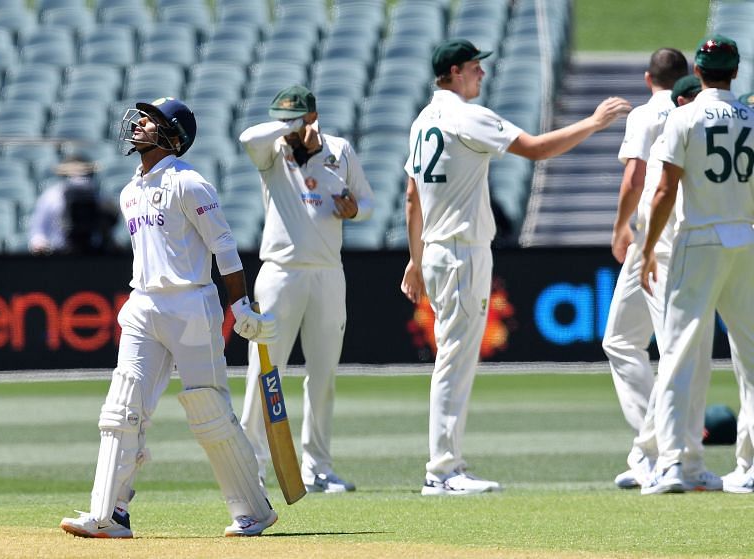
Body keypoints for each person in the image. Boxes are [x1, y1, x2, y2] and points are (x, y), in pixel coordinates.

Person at [400, 38, 631, 495]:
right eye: (474, 67)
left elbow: (412, 197)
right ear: (453, 72)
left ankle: (445, 466)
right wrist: (594, 122)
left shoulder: (423, 119)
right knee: (455, 359)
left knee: (455, 356)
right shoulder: (466, 115)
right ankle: (443, 470)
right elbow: (537, 149)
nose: (482, 74)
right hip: (463, 250)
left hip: (442, 248)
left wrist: (415, 257)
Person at [60, 97, 279, 537]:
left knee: (209, 408)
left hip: (191, 304)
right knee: (123, 408)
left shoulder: (190, 183)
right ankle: (109, 513)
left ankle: (253, 510)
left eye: (151, 120)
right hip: (142, 304)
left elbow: (225, 250)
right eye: (141, 117)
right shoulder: (129, 191)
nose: (139, 124)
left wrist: (239, 307)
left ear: (172, 135)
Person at [238, 85, 374, 493]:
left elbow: (367, 203)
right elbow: (247, 138)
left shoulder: (340, 151)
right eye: (282, 119)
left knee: (323, 375)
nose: (288, 128)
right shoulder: (272, 151)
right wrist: (288, 126)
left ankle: (318, 468)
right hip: (280, 273)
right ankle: (252, 469)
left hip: (328, 273)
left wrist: (355, 210)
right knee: (264, 373)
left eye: (296, 118)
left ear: (313, 116)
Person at [640, 35, 754, 494]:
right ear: (735, 70)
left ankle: (676, 464)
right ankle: (747, 466)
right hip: (745, 239)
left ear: (700, 71)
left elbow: (665, 190)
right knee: (750, 358)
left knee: (678, 354)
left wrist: (647, 247)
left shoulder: (683, 116)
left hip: (699, 238)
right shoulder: (751, 117)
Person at [602, 52, 720, 491]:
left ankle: (664, 454)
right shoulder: (698, 109)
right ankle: (651, 447)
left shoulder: (649, 113)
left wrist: (619, 228)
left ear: (648, 77)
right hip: (660, 237)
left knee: (671, 348)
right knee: (620, 338)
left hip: (658, 239)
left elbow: (635, 179)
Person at [28, 154, 118, 254]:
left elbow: (109, 225)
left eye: (83, 174)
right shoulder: (50, 197)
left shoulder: (101, 196)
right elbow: (38, 230)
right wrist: (41, 245)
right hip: (59, 254)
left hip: (93, 254)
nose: (79, 179)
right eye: (73, 174)